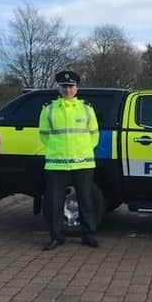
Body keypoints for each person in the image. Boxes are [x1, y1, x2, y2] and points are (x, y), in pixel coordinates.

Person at [39, 70, 100, 250]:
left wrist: (82, 150)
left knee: (86, 201)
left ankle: (88, 235)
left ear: (76, 88)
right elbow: (44, 135)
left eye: (71, 86)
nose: (67, 90)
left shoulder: (87, 109)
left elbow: (94, 135)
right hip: (56, 163)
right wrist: (58, 150)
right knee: (55, 202)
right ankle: (56, 237)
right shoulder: (48, 109)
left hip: (83, 162)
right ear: (59, 88)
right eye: (64, 86)